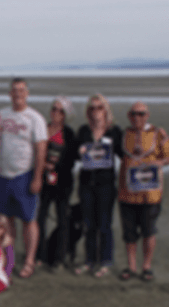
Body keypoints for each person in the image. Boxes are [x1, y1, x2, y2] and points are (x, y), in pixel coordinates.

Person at [118, 102, 169, 282]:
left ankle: (147, 266)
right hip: (127, 192)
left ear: (147, 115)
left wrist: (159, 163)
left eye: (141, 114)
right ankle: (131, 266)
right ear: (129, 116)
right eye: (134, 114)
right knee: (129, 233)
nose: (137, 117)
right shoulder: (124, 134)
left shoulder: (159, 134)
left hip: (150, 194)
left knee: (149, 231)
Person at [0, 77, 47, 279]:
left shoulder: (35, 118)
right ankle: (9, 258)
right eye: (14, 90)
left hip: (24, 175)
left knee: (28, 220)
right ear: (9, 93)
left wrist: (37, 177)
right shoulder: (1, 115)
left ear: (27, 93)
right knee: (6, 220)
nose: (17, 94)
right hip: (2, 175)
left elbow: (41, 149)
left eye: (21, 90)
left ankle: (29, 260)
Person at [75, 94, 123, 278]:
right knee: (89, 224)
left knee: (105, 225)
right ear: (88, 112)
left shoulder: (114, 131)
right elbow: (73, 155)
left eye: (99, 107)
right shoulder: (83, 131)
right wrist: (79, 152)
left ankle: (105, 262)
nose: (96, 111)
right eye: (92, 108)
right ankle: (89, 261)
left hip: (106, 185)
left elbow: (123, 154)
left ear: (106, 110)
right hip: (87, 184)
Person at [36, 96, 78, 270]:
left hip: (63, 183)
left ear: (66, 114)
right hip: (42, 182)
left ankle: (59, 258)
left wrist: (54, 165)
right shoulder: (41, 129)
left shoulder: (69, 133)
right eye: (54, 109)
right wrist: (42, 165)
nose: (56, 113)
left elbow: (72, 159)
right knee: (39, 219)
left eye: (61, 111)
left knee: (62, 219)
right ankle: (40, 256)